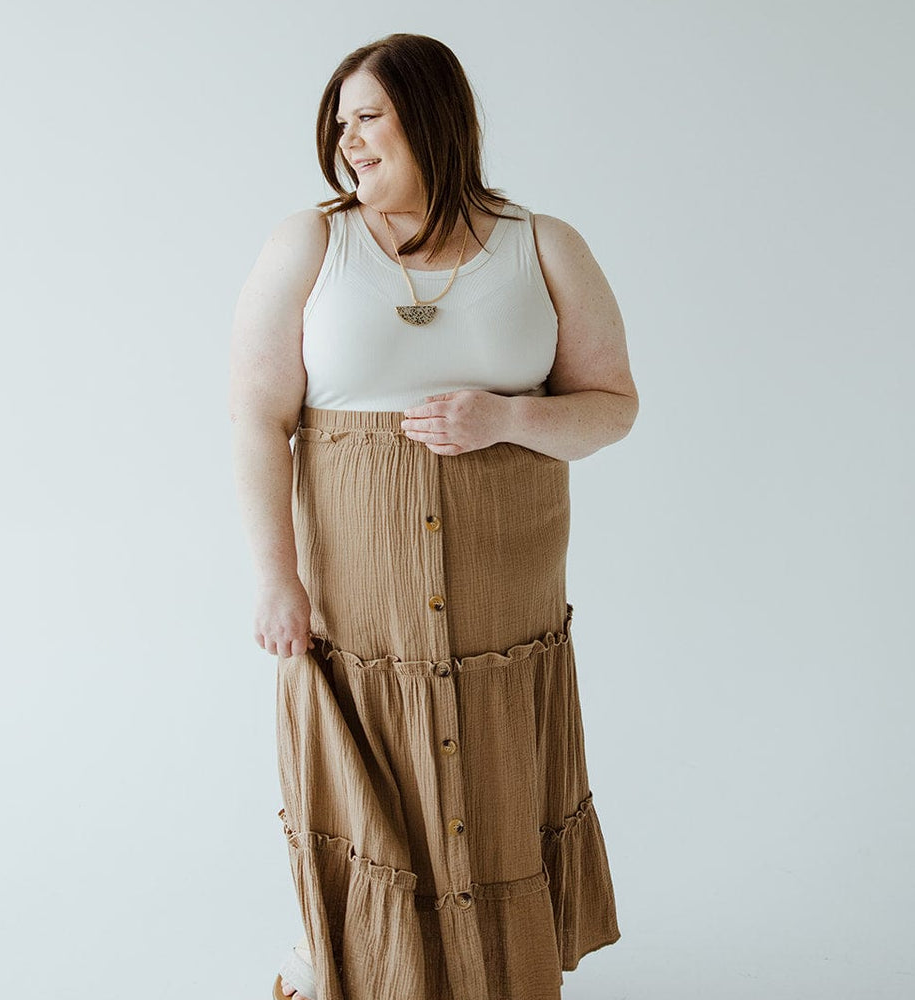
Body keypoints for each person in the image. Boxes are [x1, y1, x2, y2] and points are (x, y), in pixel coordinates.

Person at [229, 32, 638, 1000]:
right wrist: (275, 576)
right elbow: (256, 417)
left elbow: (611, 407)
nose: (350, 141)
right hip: (357, 602)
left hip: (506, 599)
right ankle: (324, 969)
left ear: (433, 115)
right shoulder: (310, 243)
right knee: (370, 793)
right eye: (340, 123)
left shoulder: (541, 243)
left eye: (368, 115)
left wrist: (505, 416)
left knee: (489, 793)